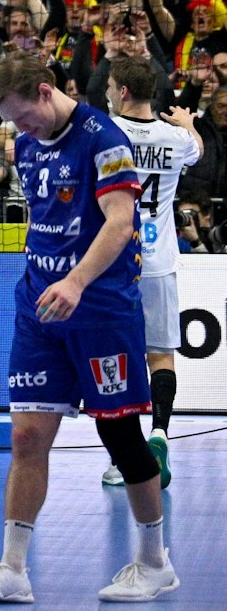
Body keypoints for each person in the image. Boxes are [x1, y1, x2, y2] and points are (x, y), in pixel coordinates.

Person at [0, 53, 174, 604]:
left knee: (121, 437)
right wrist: (47, 280)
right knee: (27, 436)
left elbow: (121, 223)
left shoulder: (103, 140)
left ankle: (154, 563)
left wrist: (75, 282)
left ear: (47, 89)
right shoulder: (26, 144)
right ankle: (12, 570)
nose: (20, 130)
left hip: (100, 308)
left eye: (24, 116)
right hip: (40, 309)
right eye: (11, 121)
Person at [100, 57, 201, 491]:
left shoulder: (104, 132)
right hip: (159, 260)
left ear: (122, 91)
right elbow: (197, 150)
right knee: (161, 354)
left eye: (109, 84)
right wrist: (187, 121)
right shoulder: (175, 138)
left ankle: (123, 458)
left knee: (114, 359)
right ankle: (159, 433)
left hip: (114, 259)